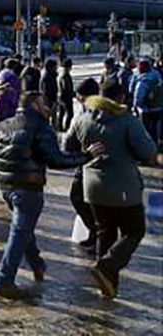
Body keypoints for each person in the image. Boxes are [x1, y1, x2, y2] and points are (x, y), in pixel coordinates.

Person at [0, 91, 97, 300]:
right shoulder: (41, 127)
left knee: (23, 229)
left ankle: (37, 265)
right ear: (35, 104)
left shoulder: (2, 125)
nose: (48, 108)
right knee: (19, 233)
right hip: (29, 189)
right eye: (44, 104)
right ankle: (5, 281)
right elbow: (55, 159)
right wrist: (86, 156)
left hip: (7, 188)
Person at [61, 79, 157, 299]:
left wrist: (88, 152)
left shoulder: (83, 118)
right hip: (123, 188)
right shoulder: (127, 120)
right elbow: (148, 151)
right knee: (134, 231)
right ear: (121, 97)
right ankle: (106, 266)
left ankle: (108, 286)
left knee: (106, 233)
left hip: (92, 189)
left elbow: (67, 147)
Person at [65, 77, 102, 252]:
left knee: (78, 197)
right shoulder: (107, 111)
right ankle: (95, 234)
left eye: (79, 96)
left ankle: (97, 234)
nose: (77, 99)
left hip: (88, 163)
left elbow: (68, 144)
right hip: (93, 163)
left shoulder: (86, 115)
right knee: (87, 201)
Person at [131, 58, 163, 146]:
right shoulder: (157, 76)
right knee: (156, 130)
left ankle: (149, 150)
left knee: (146, 133)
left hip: (145, 110)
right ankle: (157, 145)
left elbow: (137, 98)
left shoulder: (142, 82)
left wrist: (135, 108)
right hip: (158, 108)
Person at [58, 58, 76, 131]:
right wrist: (73, 94)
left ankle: (61, 127)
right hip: (66, 98)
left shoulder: (64, 75)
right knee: (70, 114)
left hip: (62, 97)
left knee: (62, 113)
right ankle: (66, 127)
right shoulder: (65, 76)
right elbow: (66, 88)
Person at [40, 59, 59, 124]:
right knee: (48, 119)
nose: (56, 68)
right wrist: (51, 103)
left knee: (54, 118)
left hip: (52, 101)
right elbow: (45, 92)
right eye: (55, 66)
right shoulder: (47, 77)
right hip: (49, 102)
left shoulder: (52, 76)